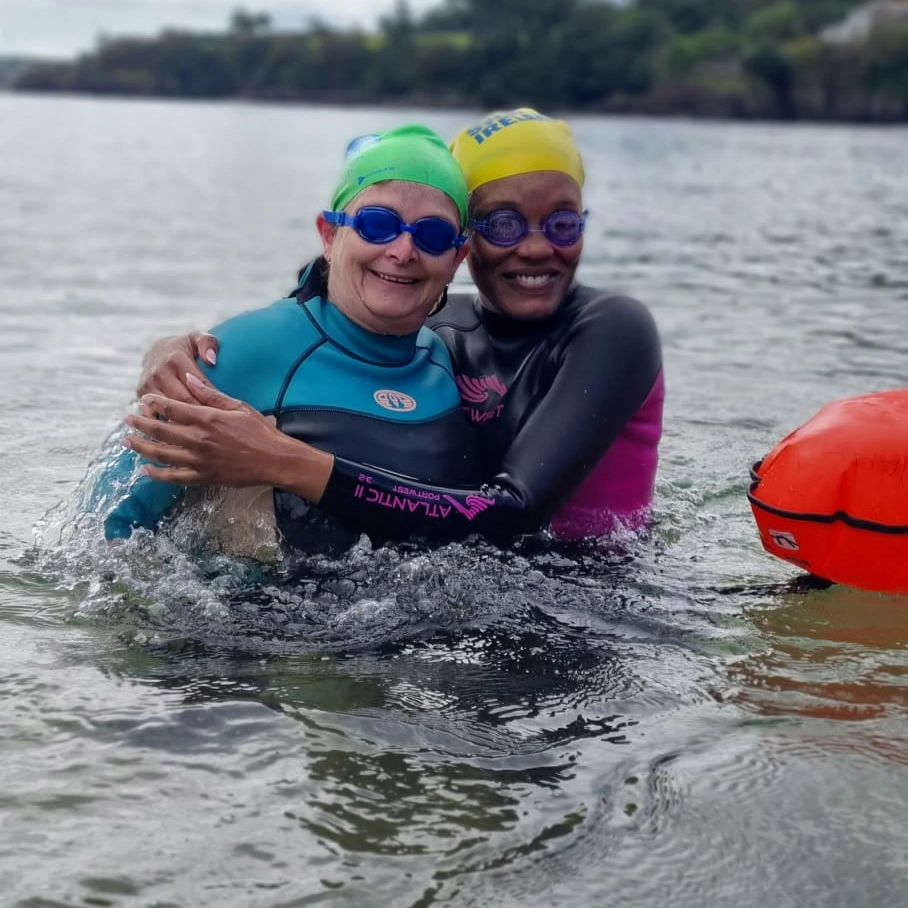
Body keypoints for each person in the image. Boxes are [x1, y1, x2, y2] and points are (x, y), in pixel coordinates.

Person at [134, 109, 664, 542]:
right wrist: (176, 350)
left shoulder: (611, 327)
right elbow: (313, 326)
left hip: (597, 605)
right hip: (471, 611)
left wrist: (284, 461)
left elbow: (511, 511)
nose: (535, 246)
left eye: (563, 223)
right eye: (502, 224)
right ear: (471, 244)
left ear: (452, 253)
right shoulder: (441, 332)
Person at [98, 124, 477, 547]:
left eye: (434, 234)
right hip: (246, 609)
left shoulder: (446, 358)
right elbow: (108, 522)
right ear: (330, 235)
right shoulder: (243, 351)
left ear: (458, 257)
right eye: (376, 224)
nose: (403, 251)